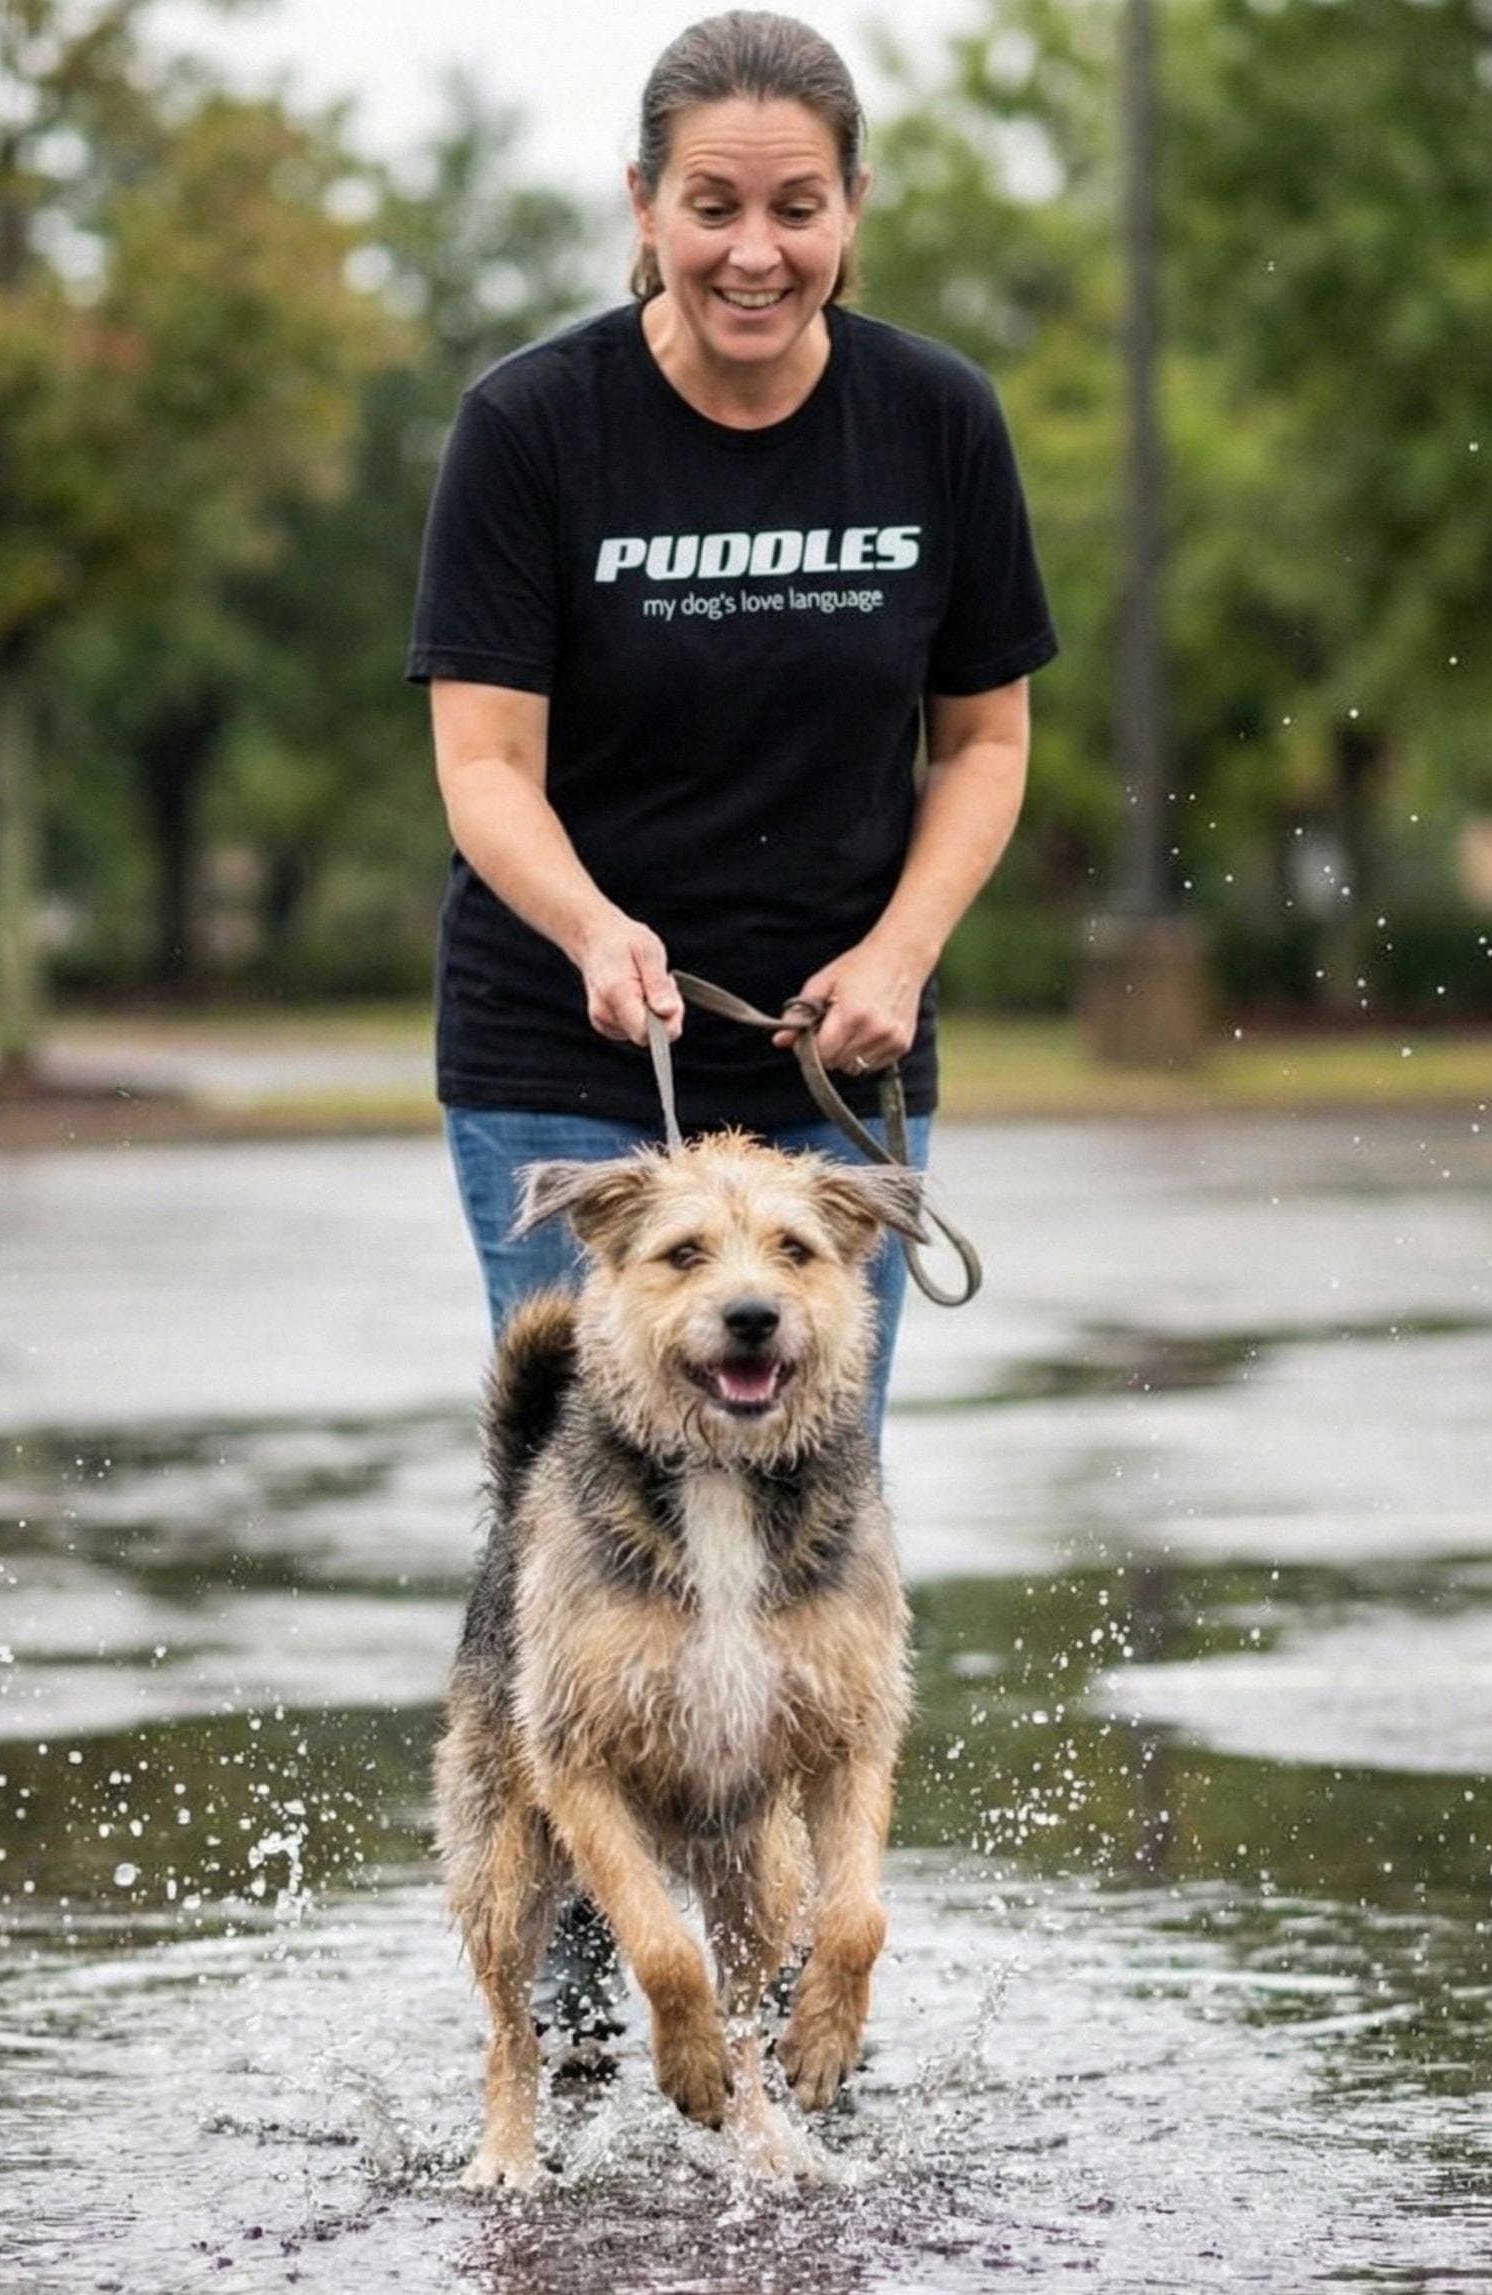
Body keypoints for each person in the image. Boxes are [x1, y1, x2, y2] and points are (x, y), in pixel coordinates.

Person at [408, 6, 1057, 2061]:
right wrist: (594, 920)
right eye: (711, 206)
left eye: (795, 205)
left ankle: (790, 1988)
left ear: (851, 212)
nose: (752, 249)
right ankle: (598, 2007)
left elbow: (985, 737)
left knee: (807, 1525)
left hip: (838, 1056)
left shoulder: (935, 425)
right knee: (589, 1515)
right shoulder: (532, 428)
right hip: (564, 1035)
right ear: (643, 207)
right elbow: (483, 765)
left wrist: (900, 945)